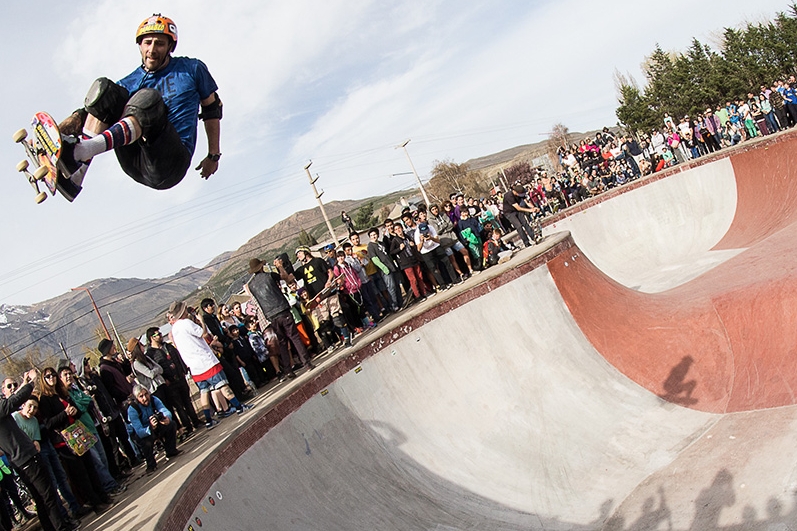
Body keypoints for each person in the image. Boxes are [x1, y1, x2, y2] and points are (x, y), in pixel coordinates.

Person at [57, 14, 222, 195]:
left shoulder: (192, 69)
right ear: (140, 46)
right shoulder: (129, 82)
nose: (152, 50)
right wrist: (56, 134)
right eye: (147, 43)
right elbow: (90, 111)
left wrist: (213, 155)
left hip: (170, 163)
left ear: (169, 47)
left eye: (159, 43)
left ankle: (80, 151)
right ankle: (74, 177)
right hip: (135, 161)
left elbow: (212, 109)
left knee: (149, 99)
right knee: (104, 91)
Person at [0, 369, 80, 531]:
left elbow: (12, 399)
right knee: (47, 496)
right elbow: (14, 401)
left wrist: (23, 382)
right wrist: (31, 382)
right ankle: (61, 527)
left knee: (42, 498)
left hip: (23, 458)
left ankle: (57, 526)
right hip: (25, 457)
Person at [167, 300, 252, 429]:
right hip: (206, 361)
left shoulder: (174, 330)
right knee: (223, 384)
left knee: (204, 391)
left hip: (194, 367)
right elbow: (203, 333)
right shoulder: (186, 323)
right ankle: (239, 407)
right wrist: (200, 319)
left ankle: (208, 420)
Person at [247, 257, 315, 378]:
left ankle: (288, 370)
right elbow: (285, 277)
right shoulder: (269, 276)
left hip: (271, 315)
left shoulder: (251, 285)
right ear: (261, 267)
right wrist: (280, 266)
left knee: (282, 342)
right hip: (282, 309)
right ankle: (307, 363)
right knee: (294, 337)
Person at [145, 327, 203, 439]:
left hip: (180, 377)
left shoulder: (168, 346)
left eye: (160, 333)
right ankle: (187, 426)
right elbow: (156, 368)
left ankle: (196, 421)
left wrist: (183, 370)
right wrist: (164, 379)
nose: (160, 336)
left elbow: (178, 358)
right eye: (157, 334)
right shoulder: (150, 354)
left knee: (187, 401)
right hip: (169, 383)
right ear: (151, 337)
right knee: (178, 405)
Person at [127, 385, 180, 475]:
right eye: (141, 396)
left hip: (156, 426)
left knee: (171, 424)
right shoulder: (132, 410)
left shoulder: (154, 399)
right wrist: (150, 428)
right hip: (143, 432)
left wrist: (167, 418)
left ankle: (171, 450)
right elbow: (139, 431)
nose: (145, 398)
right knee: (145, 442)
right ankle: (150, 464)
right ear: (136, 398)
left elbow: (164, 410)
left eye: (146, 394)